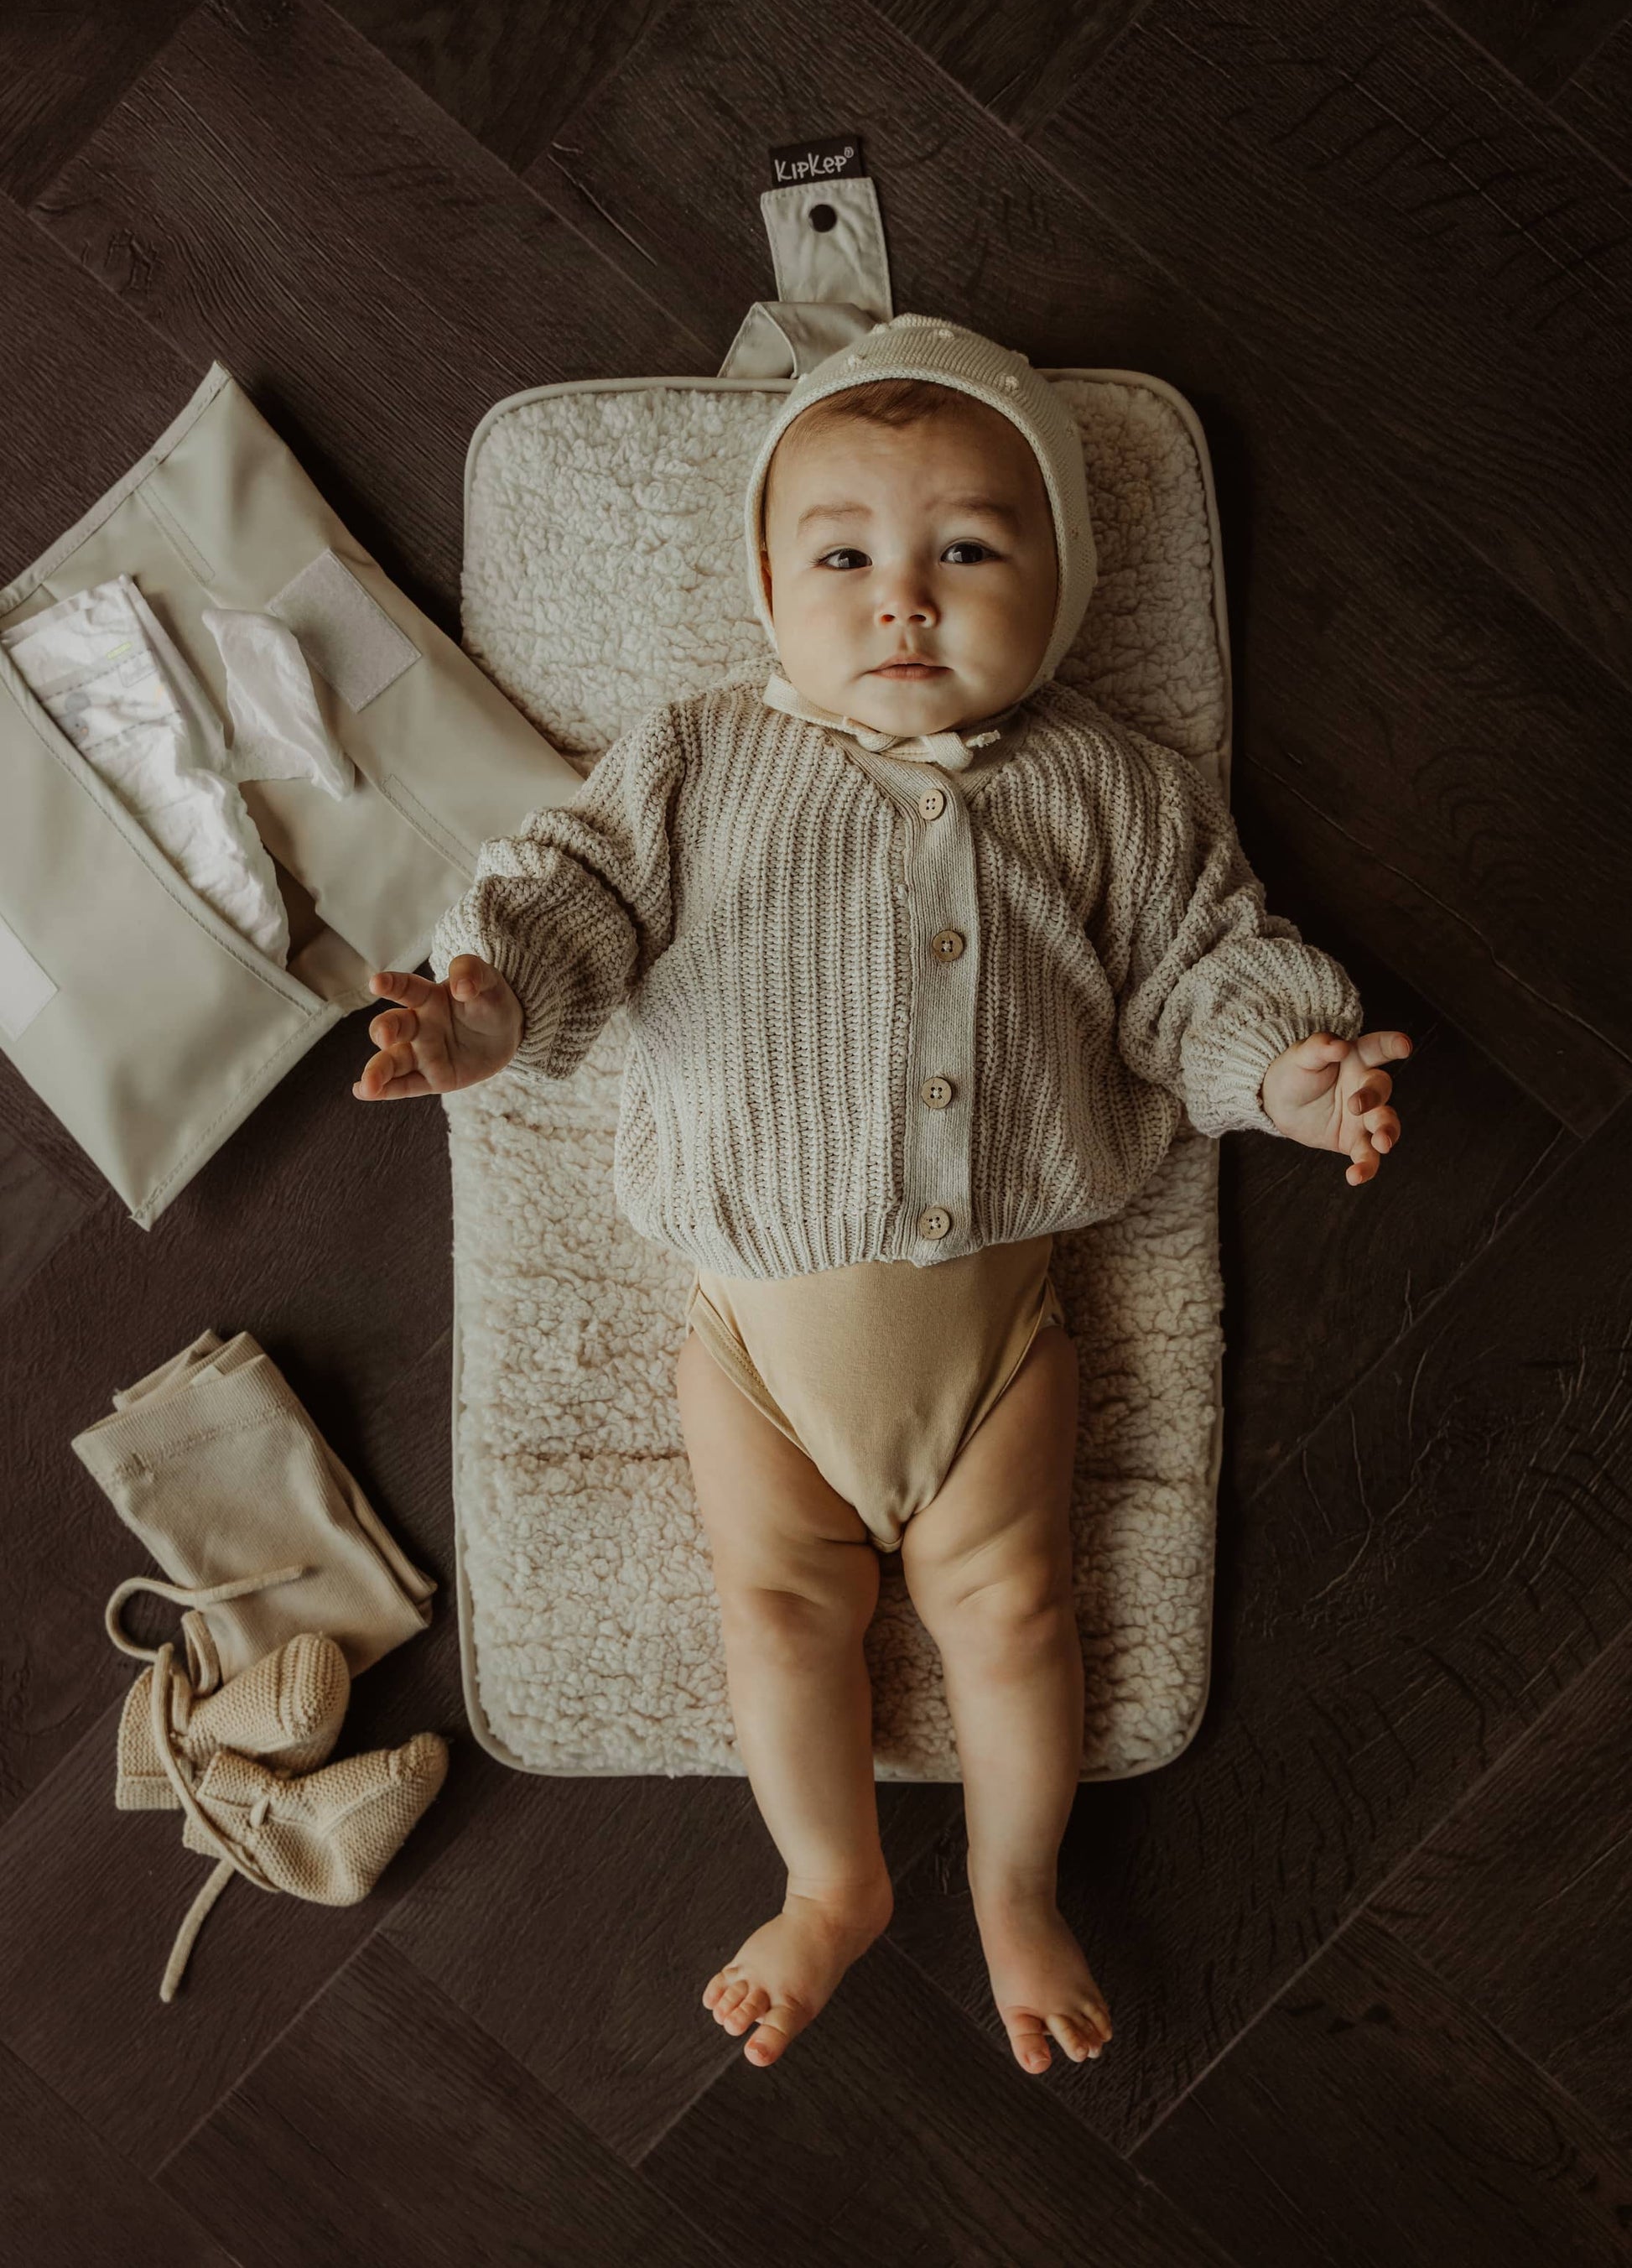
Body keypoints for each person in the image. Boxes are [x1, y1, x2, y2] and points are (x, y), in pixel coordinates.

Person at [351, 315, 1411, 2078]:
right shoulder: (693, 759)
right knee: (775, 1603)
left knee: (1015, 1606)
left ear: (1060, 586)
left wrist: (1293, 1075)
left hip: (1000, 1331)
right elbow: (568, 894)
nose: (903, 598)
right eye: (844, 555)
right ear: (767, 590)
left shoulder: (1110, 788)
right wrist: (488, 1005)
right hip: (750, 1334)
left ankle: (1015, 1881)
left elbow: (1201, 976)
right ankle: (829, 1878)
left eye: (969, 551)